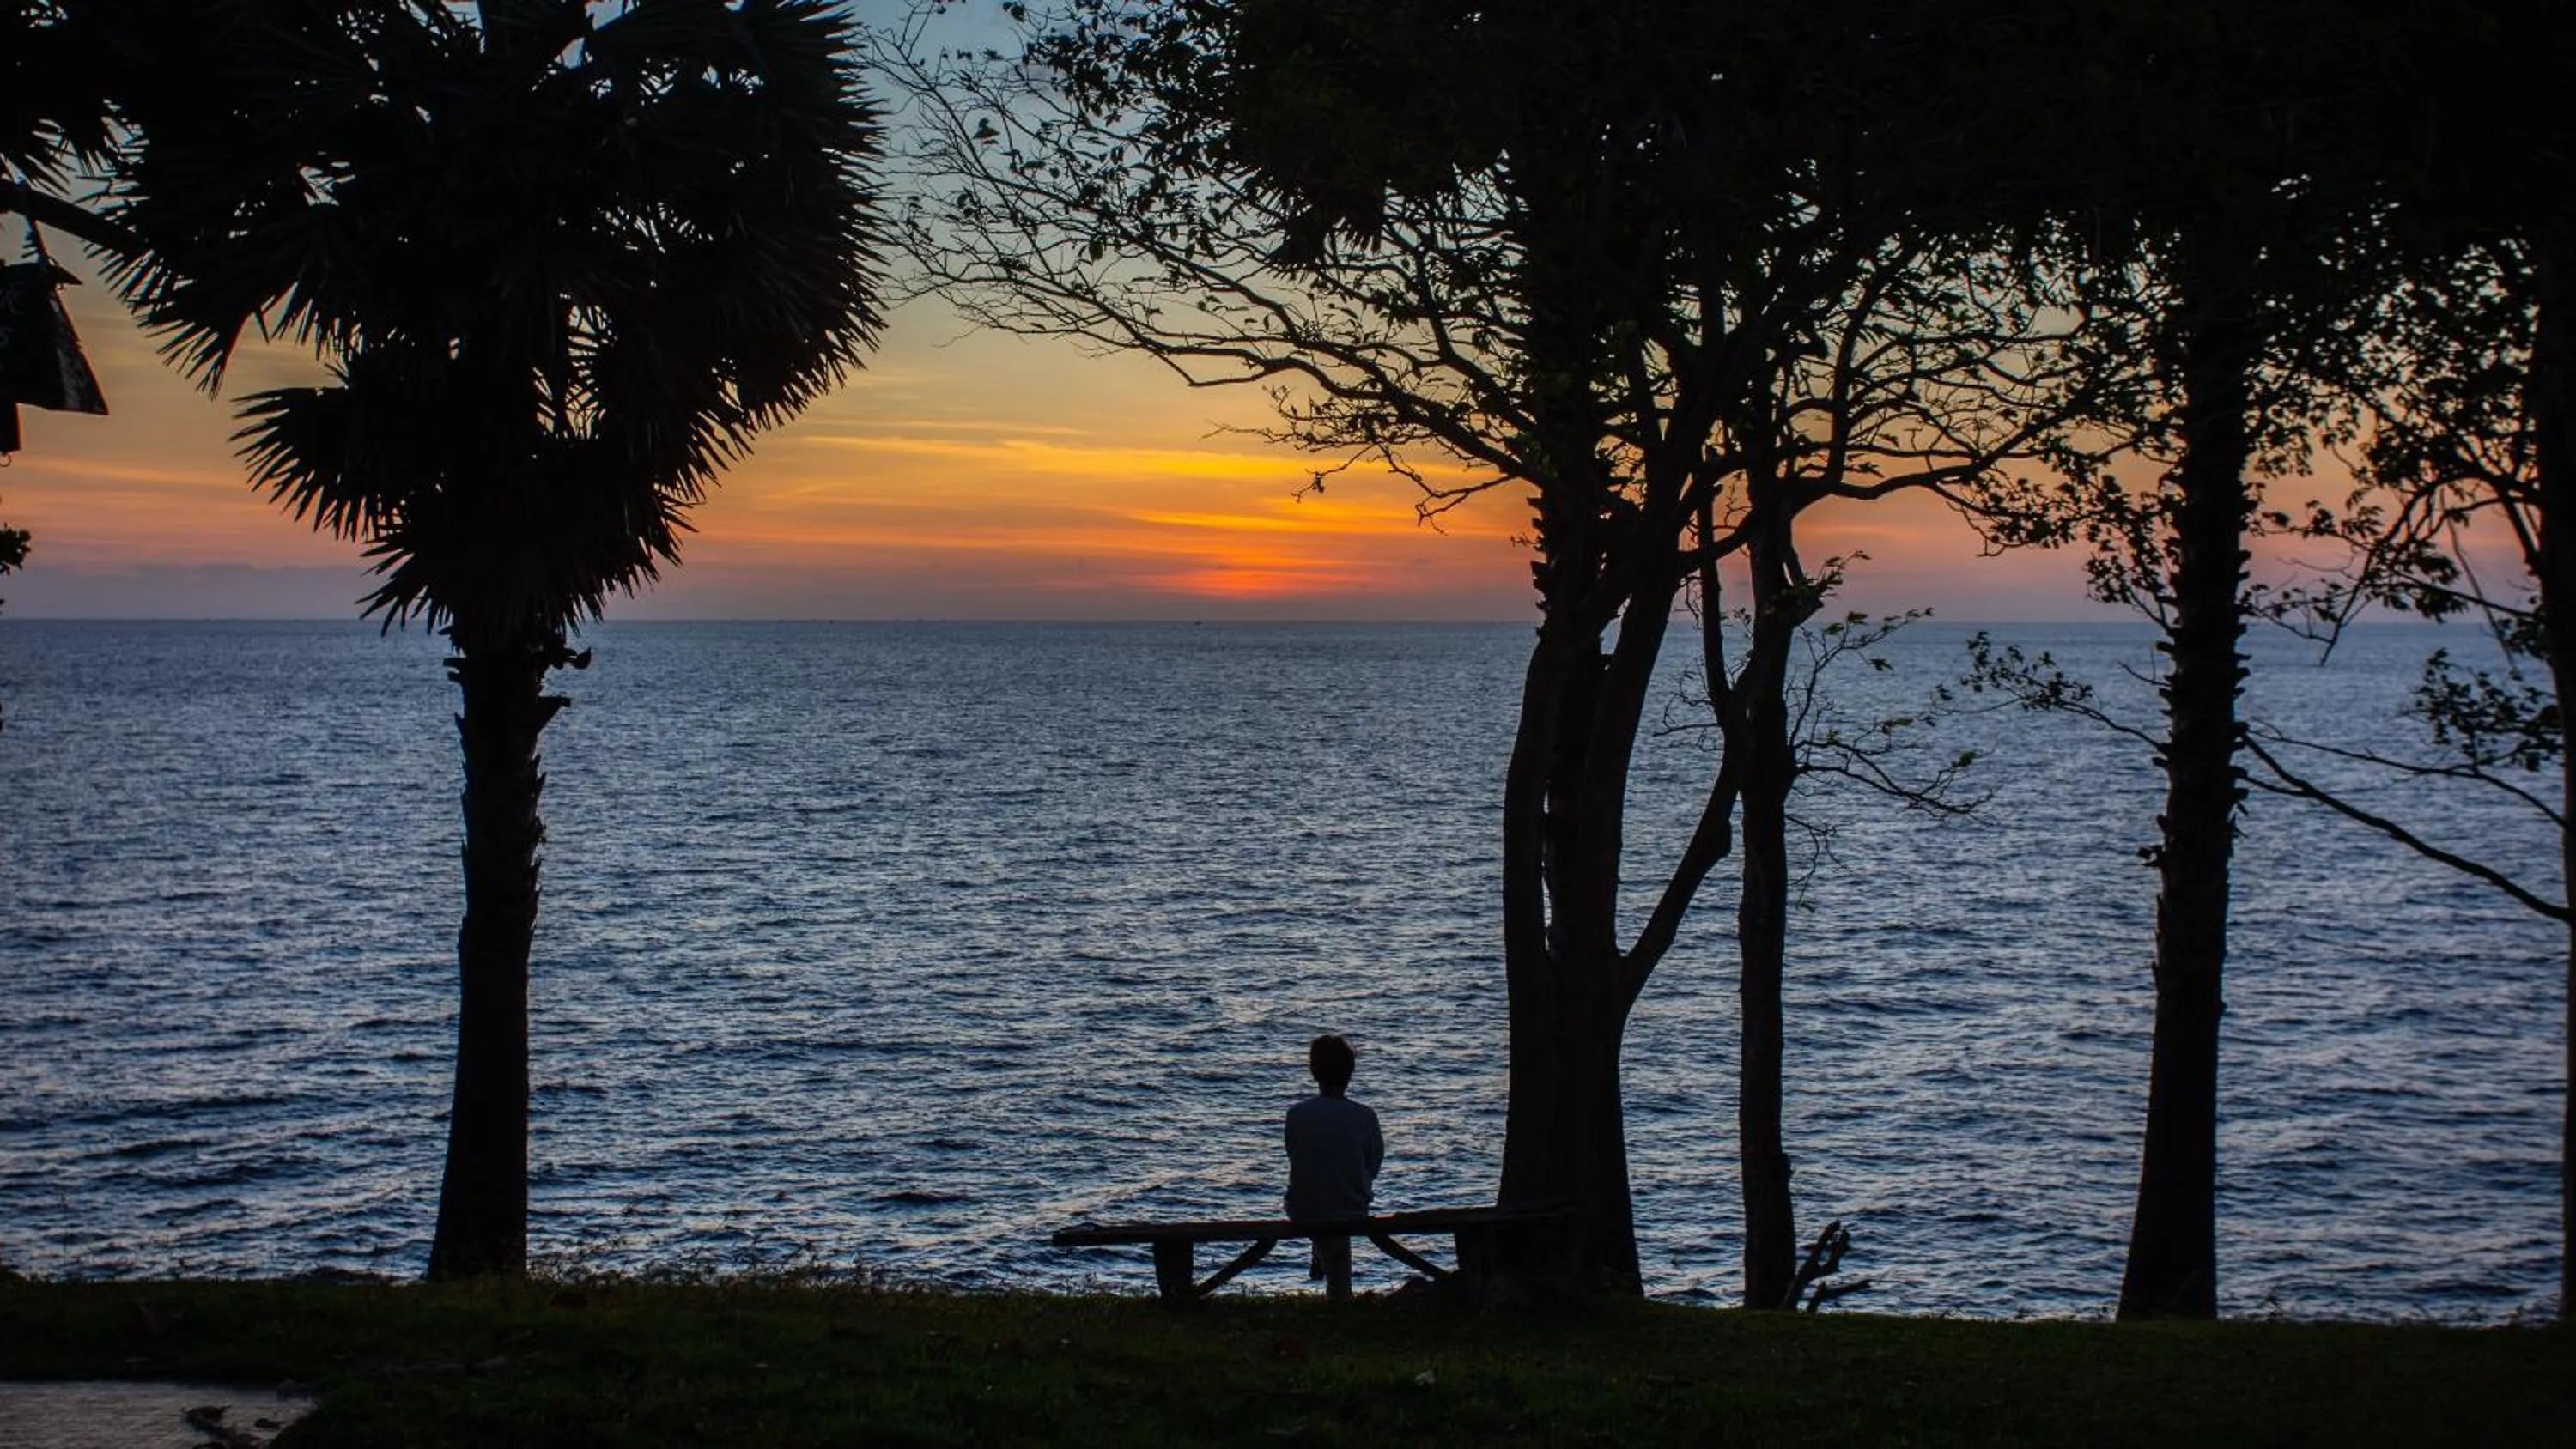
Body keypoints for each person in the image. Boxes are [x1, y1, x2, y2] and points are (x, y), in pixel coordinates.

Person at [1284, 1033, 1382, 1300]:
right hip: (1351, 1208)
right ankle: (1339, 1297)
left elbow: (1297, 1157)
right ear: (1350, 1073)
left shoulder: (1296, 1114)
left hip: (1303, 1208)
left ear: (1314, 1072)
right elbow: (1373, 1165)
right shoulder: (1365, 1116)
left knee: (1321, 1196)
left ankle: (1323, 1261)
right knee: (1339, 1205)